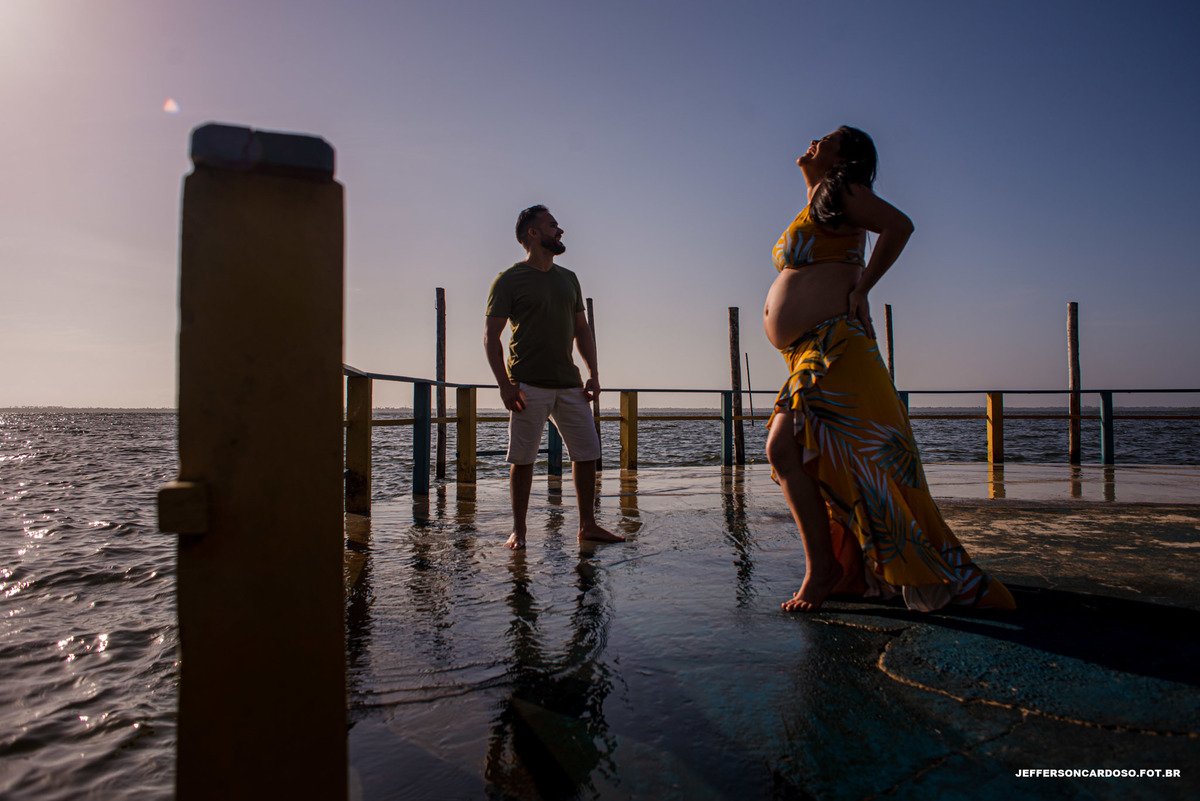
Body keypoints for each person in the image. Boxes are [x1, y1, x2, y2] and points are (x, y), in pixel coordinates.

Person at [763, 126, 1015, 613]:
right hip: (808, 352)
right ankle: (841, 568)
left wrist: (863, 290)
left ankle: (824, 572)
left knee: (786, 449)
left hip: (835, 347)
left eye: (828, 139)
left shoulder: (844, 190)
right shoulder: (819, 200)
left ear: (846, 158)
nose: (814, 139)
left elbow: (900, 226)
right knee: (808, 457)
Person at [486, 205, 624, 550]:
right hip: (527, 384)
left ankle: (587, 525)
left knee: (587, 453)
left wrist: (593, 373)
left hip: (569, 382)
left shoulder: (569, 278)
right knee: (523, 458)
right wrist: (505, 384)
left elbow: (582, 328)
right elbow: (492, 336)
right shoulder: (509, 279)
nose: (559, 231)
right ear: (533, 233)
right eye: (552, 226)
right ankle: (519, 530)